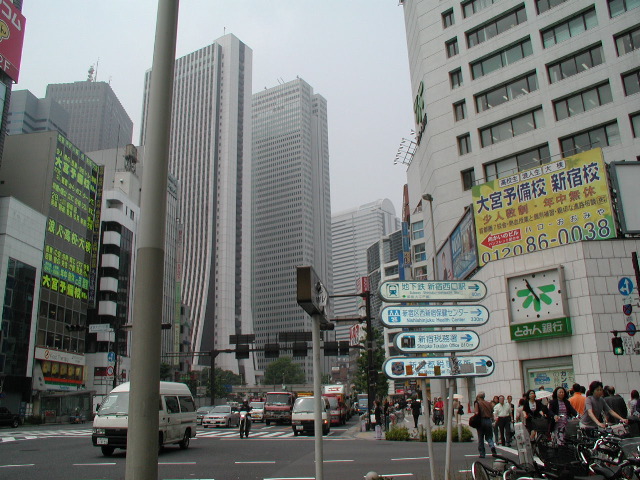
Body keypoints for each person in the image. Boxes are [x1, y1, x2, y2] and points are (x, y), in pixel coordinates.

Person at [474, 392, 497, 459]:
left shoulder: (477, 403)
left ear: (478, 397)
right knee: (489, 436)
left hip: (481, 421)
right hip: (488, 420)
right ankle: (492, 446)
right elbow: (492, 412)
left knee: (480, 437)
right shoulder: (489, 403)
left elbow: (476, 412)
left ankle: (482, 453)